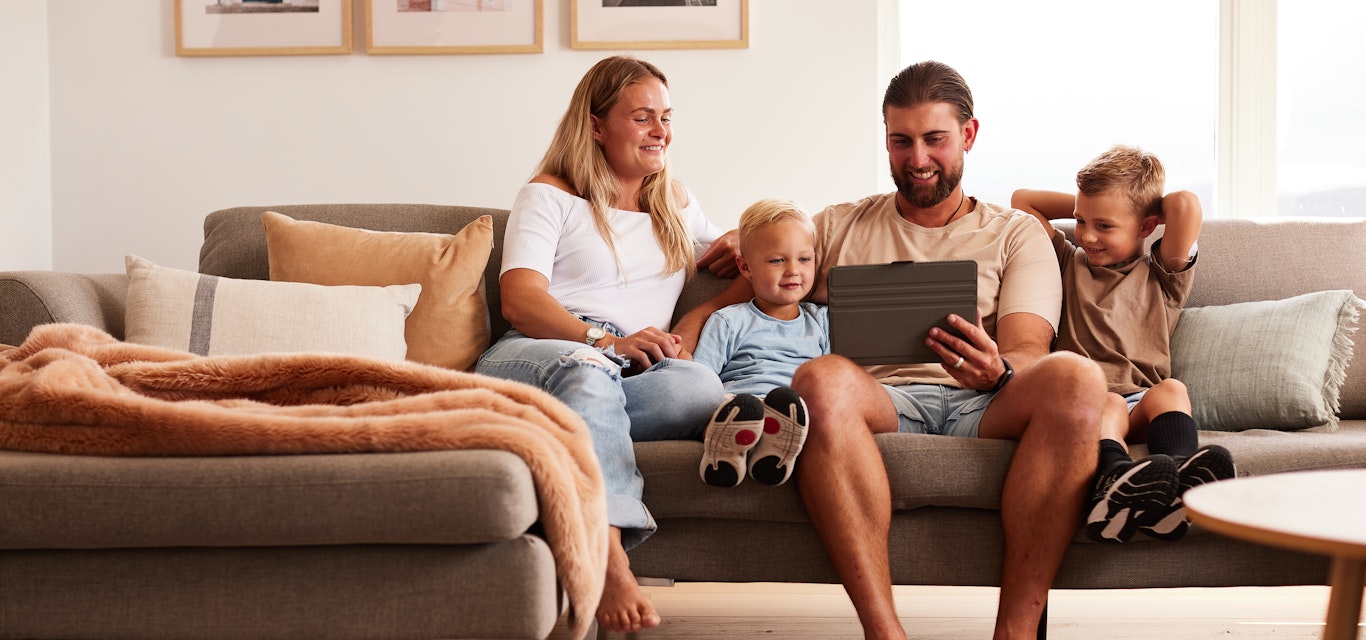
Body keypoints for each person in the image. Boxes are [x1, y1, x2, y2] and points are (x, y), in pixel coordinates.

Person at [675, 60, 1110, 640]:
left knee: (1077, 379)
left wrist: (998, 367)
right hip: (883, 401)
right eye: (901, 141)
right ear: (885, 140)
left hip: (985, 403)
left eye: (935, 139)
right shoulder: (836, 227)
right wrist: (712, 290)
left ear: (969, 136)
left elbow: (1029, 349)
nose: (919, 158)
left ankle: (1017, 633)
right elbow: (756, 277)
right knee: (820, 376)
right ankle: (885, 633)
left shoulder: (1015, 233)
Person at [474, 55, 733, 634]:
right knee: (589, 374)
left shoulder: (675, 203)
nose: (660, 131)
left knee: (699, 384)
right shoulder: (550, 195)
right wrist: (604, 340)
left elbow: (745, 260)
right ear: (595, 125)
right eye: (643, 117)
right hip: (542, 351)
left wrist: (702, 307)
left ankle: (580, 424)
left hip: (625, 372)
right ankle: (610, 560)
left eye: (666, 117)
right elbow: (520, 299)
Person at [1011, 145, 1236, 544]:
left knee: (1172, 389)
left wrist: (1137, 207)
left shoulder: (1164, 274)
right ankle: (1113, 480)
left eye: (1105, 225)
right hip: (1088, 404)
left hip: (1144, 402)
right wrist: (1097, 205)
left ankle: (1180, 478)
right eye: (1081, 221)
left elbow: (1185, 204)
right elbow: (1021, 201)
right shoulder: (1067, 261)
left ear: (1149, 226)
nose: (1088, 235)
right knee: (1111, 402)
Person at [692, 198, 827, 488]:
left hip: (796, 409)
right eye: (777, 260)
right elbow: (701, 380)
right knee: (726, 410)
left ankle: (772, 449)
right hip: (740, 403)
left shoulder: (822, 322)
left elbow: (833, 380)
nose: (793, 270)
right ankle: (727, 450)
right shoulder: (728, 320)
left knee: (805, 413)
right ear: (745, 267)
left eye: (804, 259)